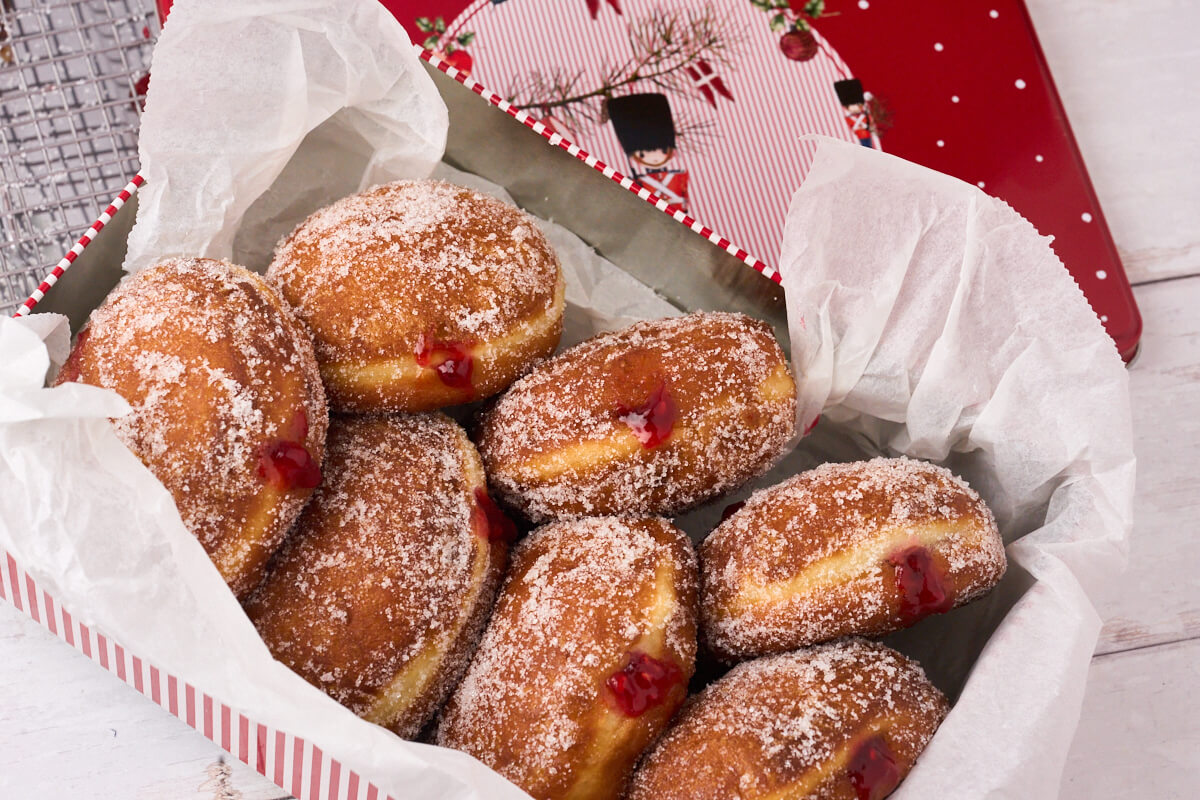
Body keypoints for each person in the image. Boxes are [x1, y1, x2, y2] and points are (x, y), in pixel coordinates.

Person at [607, 93, 690, 214]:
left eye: (663, 151)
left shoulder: (679, 176)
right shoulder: (638, 180)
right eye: (643, 154)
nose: (655, 158)